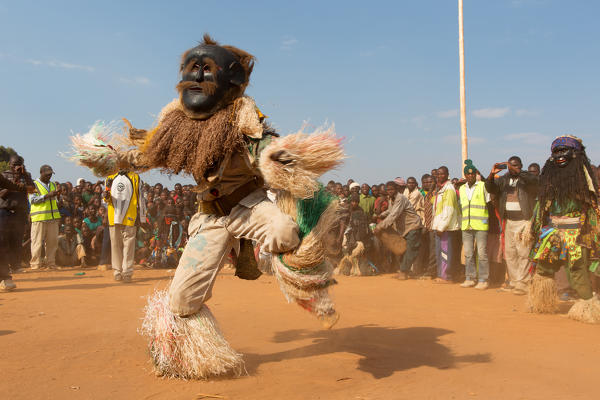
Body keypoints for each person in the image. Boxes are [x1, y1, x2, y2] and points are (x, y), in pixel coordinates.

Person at [71, 35, 344, 378]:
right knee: (182, 301)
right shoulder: (175, 123)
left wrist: (285, 158)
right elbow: (145, 154)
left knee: (284, 231)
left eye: (207, 70)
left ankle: (276, 264)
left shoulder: (244, 117)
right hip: (210, 219)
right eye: (192, 69)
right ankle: (181, 354)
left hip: (249, 207)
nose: (198, 78)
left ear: (231, 80)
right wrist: (109, 157)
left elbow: (266, 149)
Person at [528, 135, 600, 321]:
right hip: (551, 233)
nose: (559, 155)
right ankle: (542, 302)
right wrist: (533, 226)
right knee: (543, 268)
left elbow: (592, 209)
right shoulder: (549, 180)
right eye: (556, 152)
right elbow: (542, 205)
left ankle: (588, 309)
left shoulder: (584, 181)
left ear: (575, 154)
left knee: (577, 271)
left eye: (563, 151)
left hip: (576, 234)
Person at [486, 156, 539, 295]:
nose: (512, 168)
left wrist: (519, 172)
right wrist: (491, 174)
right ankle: (515, 282)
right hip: (508, 221)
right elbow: (490, 188)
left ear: (521, 165)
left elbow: (535, 181)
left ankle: (524, 283)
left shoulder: (526, 178)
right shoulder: (504, 179)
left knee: (523, 252)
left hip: (523, 221)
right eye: (510, 165)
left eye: (515, 165)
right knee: (510, 253)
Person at [374, 181, 423, 279]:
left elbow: (394, 214)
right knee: (402, 250)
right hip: (404, 229)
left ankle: (404, 271)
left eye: (392, 189)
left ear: (396, 189)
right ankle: (404, 270)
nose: (390, 191)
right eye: (388, 190)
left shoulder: (400, 198)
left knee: (410, 250)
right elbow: (390, 211)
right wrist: (381, 215)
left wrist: (380, 226)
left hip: (413, 226)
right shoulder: (392, 199)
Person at [103, 170, 146, 282]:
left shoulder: (135, 178)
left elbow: (141, 197)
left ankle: (127, 272)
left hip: (130, 216)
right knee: (115, 245)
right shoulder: (109, 177)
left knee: (129, 245)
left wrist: (142, 217)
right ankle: (117, 271)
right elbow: (106, 199)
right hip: (113, 217)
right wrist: (105, 195)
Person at [0, 160, 34, 291]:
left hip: (18, 213)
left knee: (2, 244)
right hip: (4, 212)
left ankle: (4, 278)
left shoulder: (6, 178)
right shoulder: (4, 174)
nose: (18, 166)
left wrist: (21, 179)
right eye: (15, 164)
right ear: (10, 164)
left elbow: (29, 189)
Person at [458, 160, 490, 290]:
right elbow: (461, 207)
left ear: (476, 174)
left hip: (481, 225)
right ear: (465, 176)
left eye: (472, 174)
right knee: (468, 253)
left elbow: (489, 202)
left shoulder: (483, 186)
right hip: (466, 225)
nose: (470, 176)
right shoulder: (461, 188)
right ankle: (470, 278)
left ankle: (483, 279)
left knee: (482, 253)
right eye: (468, 174)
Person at [29, 165, 62, 270]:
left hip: (53, 218)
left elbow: (55, 201)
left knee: (52, 242)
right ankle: (35, 264)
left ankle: (51, 263)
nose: (50, 176)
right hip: (39, 217)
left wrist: (58, 196)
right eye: (47, 174)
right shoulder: (34, 184)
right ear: (41, 173)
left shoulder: (53, 184)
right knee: (37, 242)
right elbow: (33, 200)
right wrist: (47, 195)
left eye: (51, 174)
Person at [432, 166, 461, 282]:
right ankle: (441, 275)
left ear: (447, 174)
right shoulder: (441, 189)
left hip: (445, 228)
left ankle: (446, 276)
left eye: (442, 174)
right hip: (439, 226)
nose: (439, 176)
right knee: (440, 253)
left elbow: (448, 210)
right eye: (438, 174)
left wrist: (442, 227)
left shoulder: (449, 189)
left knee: (445, 253)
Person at [415, 173, 437, 278]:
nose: (428, 184)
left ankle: (431, 271)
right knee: (423, 249)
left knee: (432, 250)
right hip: (423, 226)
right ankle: (421, 269)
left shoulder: (436, 193)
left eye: (430, 182)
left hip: (433, 226)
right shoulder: (421, 194)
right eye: (426, 182)